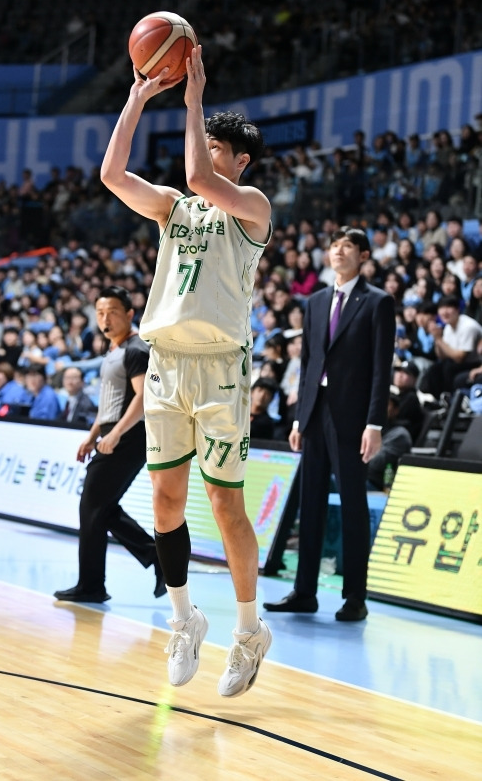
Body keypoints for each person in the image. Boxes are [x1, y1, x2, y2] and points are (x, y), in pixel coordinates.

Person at [99, 45, 272, 698]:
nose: (203, 153)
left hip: (221, 370)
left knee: (226, 505)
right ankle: (184, 618)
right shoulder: (172, 206)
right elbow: (113, 172)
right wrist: (140, 98)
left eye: (214, 146)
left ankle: (250, 631)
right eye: (202, 144)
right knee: (166, 502)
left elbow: (205, 181)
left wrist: (194, 97)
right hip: (168, 364)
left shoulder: (251, 207)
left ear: (240, 160)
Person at [263, 227, 395, 622]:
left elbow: (380, 369)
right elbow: (307, 365)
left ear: (364, 255)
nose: (338, 252)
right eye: (334, 246)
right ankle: (305, 591)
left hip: (353, 419)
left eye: (348, 246)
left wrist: (374, 423)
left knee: (353, 506)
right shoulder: (315, 301)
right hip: (315, 414)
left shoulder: (378, 302)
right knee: (310, 502)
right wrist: (300, 416)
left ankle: (355, 596)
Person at [54, 287, 166, 604]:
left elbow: (143, 398)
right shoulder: (114, 351)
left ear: (130, 314)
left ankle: (93, 585)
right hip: (114, 436)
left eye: (113, 311)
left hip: (129, 438)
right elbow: (109, 404)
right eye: (100, 312)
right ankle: (157, 557)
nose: (105, 318)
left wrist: (114, 434)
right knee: (100, 510)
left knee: (93, 507)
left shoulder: (136, 350)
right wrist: (93, 436)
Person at [366, 391, 412, 491]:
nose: (378, 408)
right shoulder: (364, 429)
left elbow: (375, 463)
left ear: (395, 411)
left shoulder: (399, 435)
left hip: (376, 485)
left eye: (384, 404)